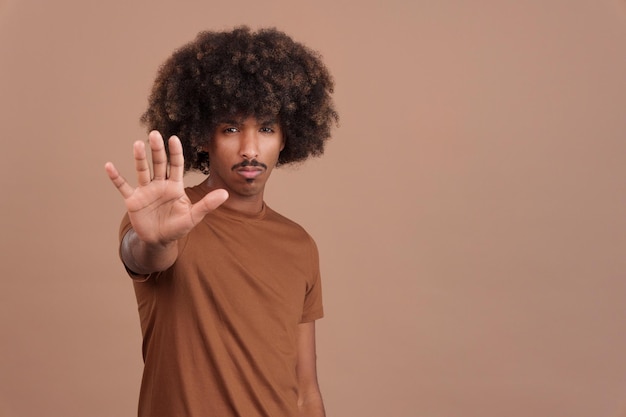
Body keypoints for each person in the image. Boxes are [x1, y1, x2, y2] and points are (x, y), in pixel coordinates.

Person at [104, 26, 338, 417]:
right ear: (200, 137)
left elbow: (305, 392)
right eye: (230, 128)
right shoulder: (170, 218)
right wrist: (154, 241)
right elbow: (143, 256)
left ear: (286, 138)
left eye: (266, 128)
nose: (250, 148)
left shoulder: (300, 244)